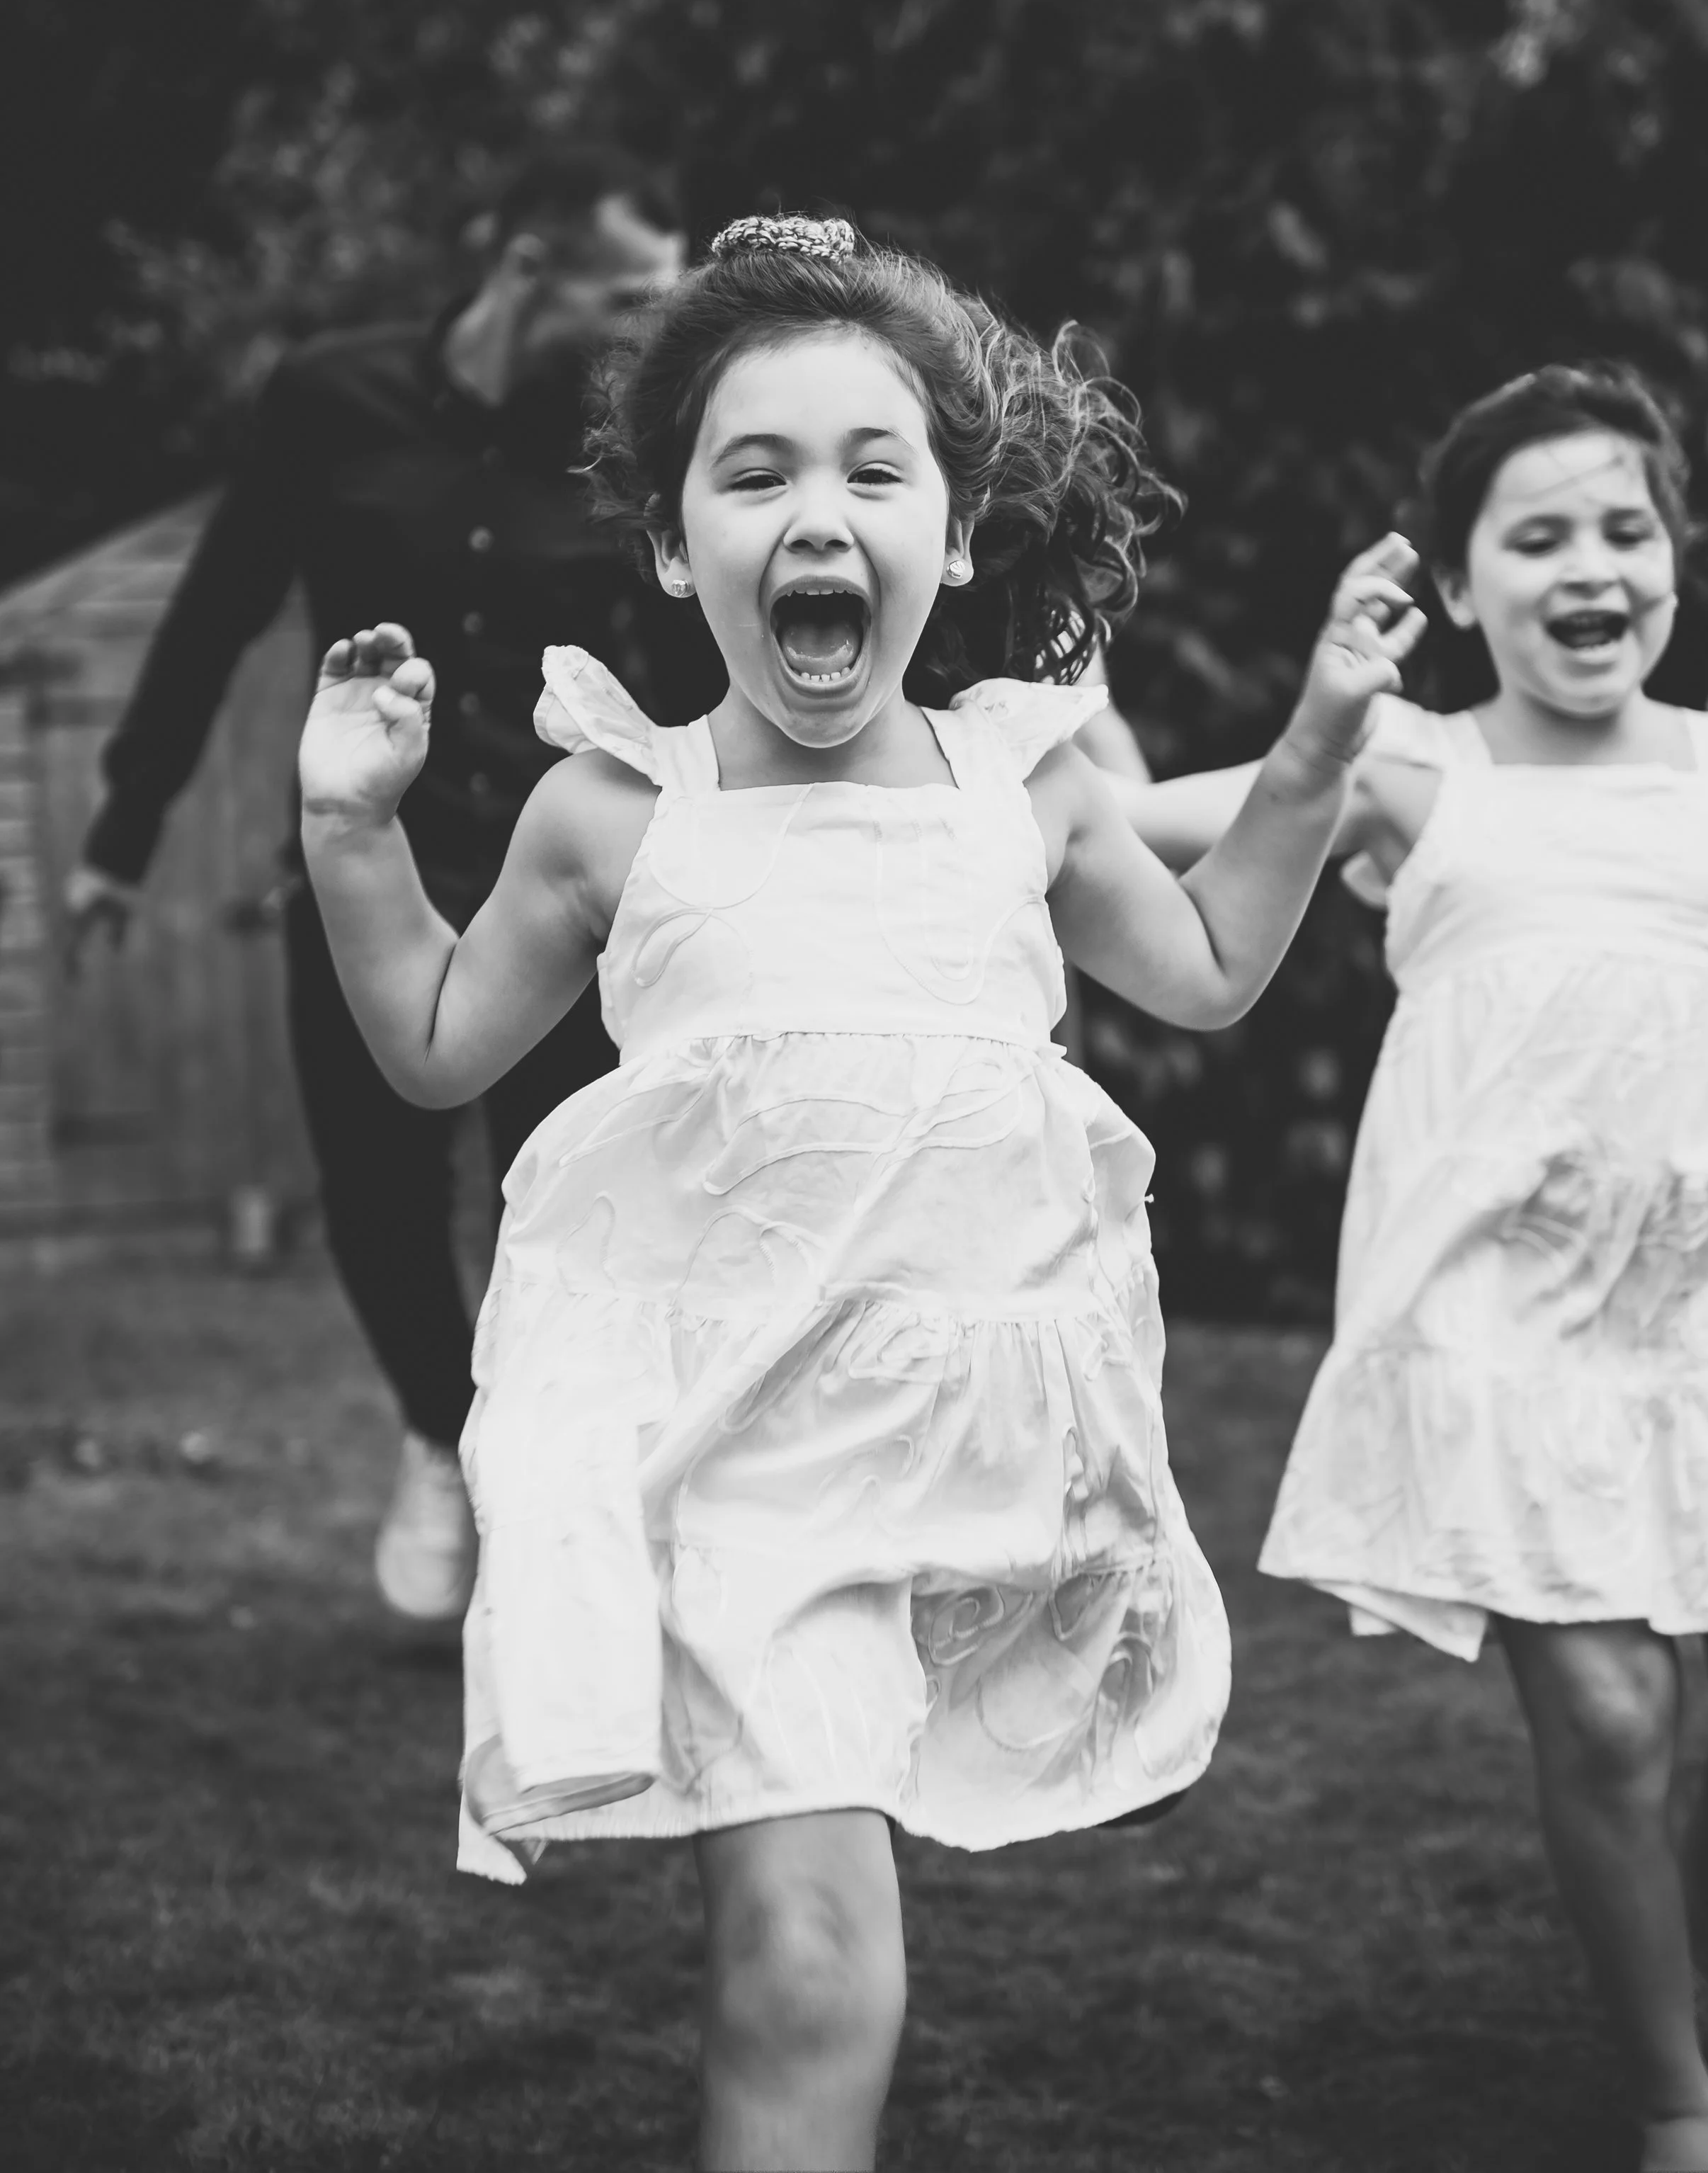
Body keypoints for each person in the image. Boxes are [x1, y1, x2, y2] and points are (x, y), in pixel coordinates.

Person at [295, 212, 1421, 2173]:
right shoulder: (613, 809)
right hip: (729, 1457)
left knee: (827, 1934)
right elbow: (429, 1042)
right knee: (816, 1955)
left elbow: (1212, 967)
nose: (816, 513)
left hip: (974, 1437)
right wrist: (348, 826)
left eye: (869, 469)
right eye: (754, 473)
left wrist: (1317, 746)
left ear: (954, 539)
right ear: (672, 548)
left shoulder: (1026, 787)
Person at [1123, 365, 1708, 2173]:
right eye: (1536, 536)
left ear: (1673, 560)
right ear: (1465, 588)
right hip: (1496, 1318)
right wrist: (1061, 718)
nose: (1590, 566)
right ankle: (1672, 2096)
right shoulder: (1419, 771)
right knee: (1611, 1707)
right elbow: (1136, 836)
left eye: (1622, 530)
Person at [62, 149, 707, 1623]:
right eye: (627, 291)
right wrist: (121, 834)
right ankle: (439, 1432)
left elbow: (683, 667)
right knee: (376, 1199)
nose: (649, 321)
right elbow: (218, 609)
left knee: (569, 1205)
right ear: (526, 263)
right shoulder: (325, 398)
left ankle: (551, 1510)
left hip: (559, 899)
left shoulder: (629, 444)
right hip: (364, 879)